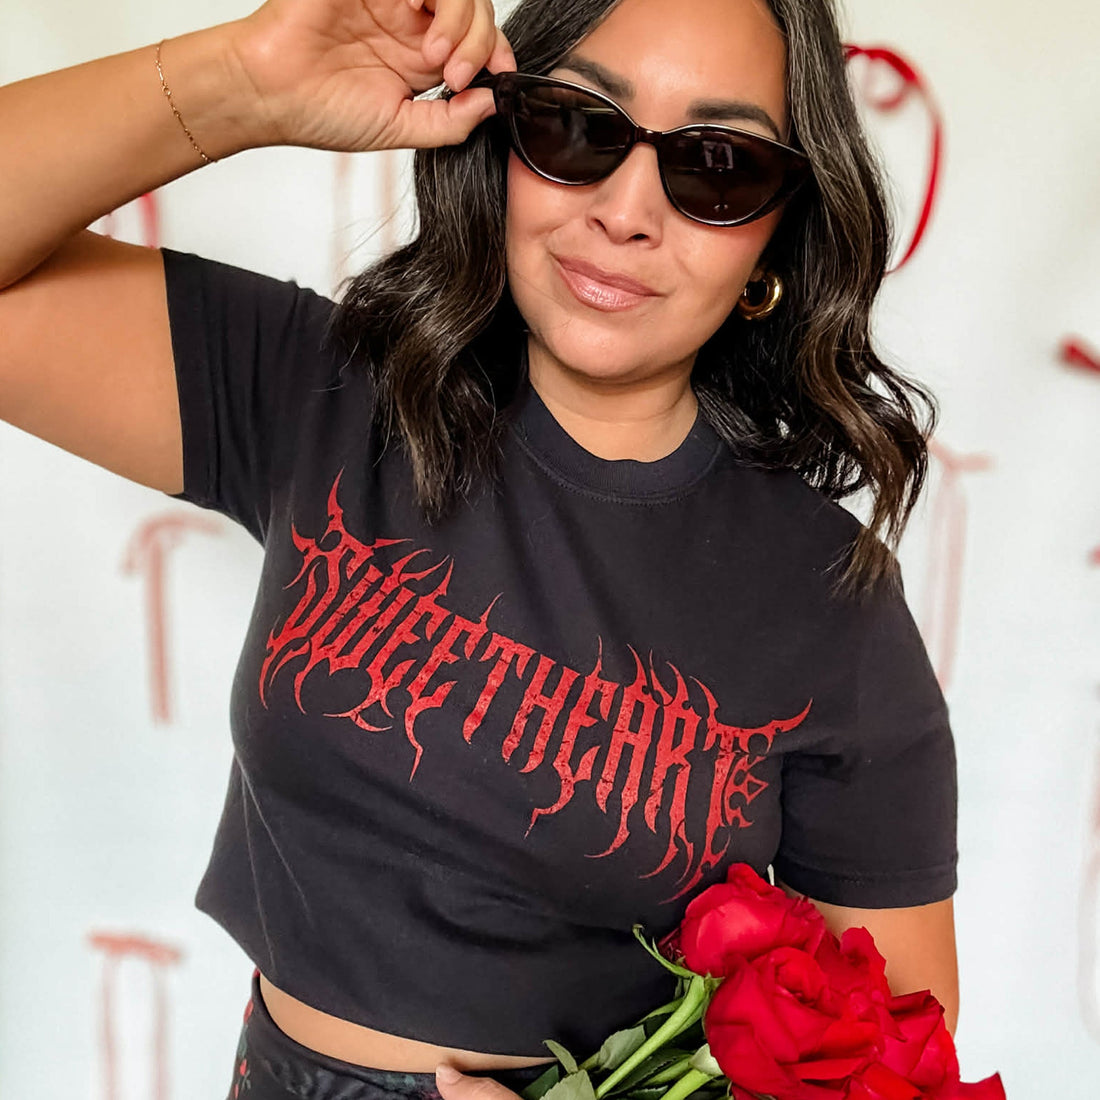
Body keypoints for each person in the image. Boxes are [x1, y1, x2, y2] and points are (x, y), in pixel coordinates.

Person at [0, 0, 960, 1097]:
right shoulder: (324, 391)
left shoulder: (827, 601)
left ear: (772, 242)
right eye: (578, 128)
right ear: (503, 138)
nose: (625, 210)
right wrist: (243, 80)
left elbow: (891, 1060)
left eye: (714, 164)